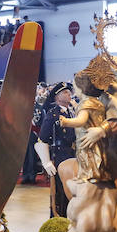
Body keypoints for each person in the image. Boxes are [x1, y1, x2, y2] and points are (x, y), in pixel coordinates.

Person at [36, 82, 77, 217]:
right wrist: (46, 161)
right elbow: (42, 139)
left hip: (73, 156)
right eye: (65, 92)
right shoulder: (53, 114)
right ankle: (59, 221)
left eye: (69, 92)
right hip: (59, 157)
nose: (69, 94)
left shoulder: (72, 112)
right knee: (60, 194)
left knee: (73, 192)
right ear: (57, 97)